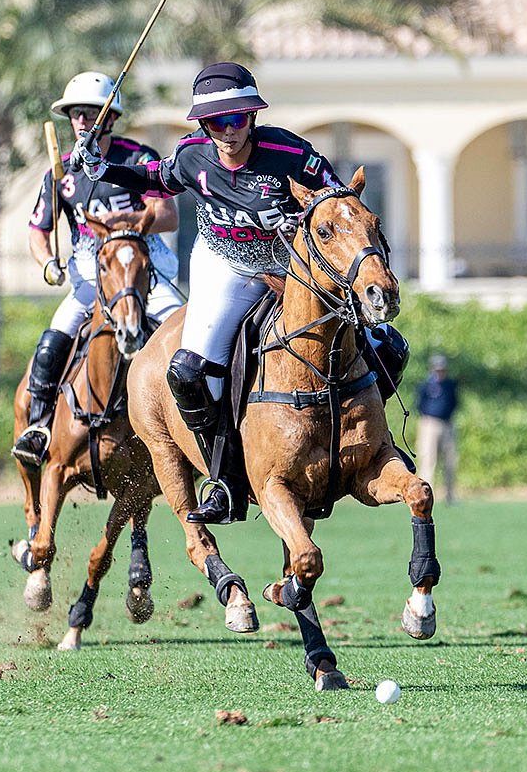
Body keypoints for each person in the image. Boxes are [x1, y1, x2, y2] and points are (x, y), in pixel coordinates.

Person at [72, 61, 407, 525]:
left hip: (291, 267)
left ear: (252, 117)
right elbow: (154, 178)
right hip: (225, 264)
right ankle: (226, 479)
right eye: (216, 122)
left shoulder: (289, 151)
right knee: (190, 372)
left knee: (389, 347)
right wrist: (101, 167)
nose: (228, 131)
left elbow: (340, 202)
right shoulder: (193, 155)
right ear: (204, 126)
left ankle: (373, 446)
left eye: (237, 119)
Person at [11, 71, 184, 466]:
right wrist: (48, 264)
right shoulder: (61, 173)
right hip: (90, 277)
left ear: (110, 118)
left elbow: (168, 214)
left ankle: (198, 426)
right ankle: (38, 427)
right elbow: (38, 231)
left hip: (145, 271)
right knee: (54, 339)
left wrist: (122, 222)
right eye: (75, 114)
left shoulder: (139, 160)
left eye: (91, 112)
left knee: (186, 334)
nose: (82, 121)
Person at [415, 354, 459, 505]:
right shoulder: (426, 385)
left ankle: (450, 495)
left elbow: (454, 403)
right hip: (429, 423)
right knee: (428, 460)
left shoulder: (450, 384)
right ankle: (425, 497)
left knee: (450, 461)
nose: (440, 372)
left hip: (447, 424)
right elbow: (419, 405)